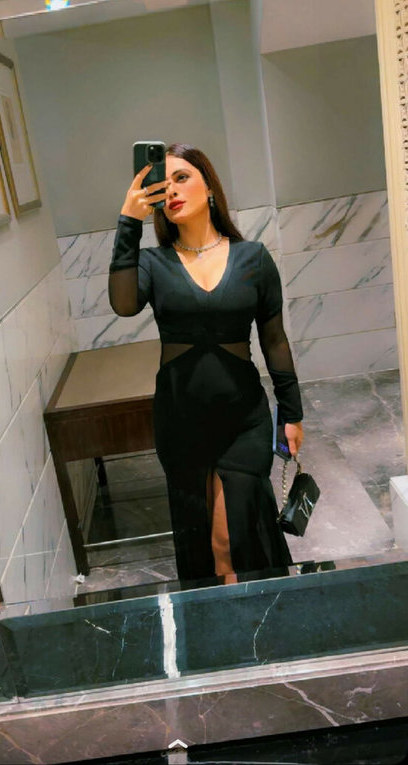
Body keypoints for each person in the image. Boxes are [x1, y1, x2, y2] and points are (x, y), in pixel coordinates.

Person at [108, 143, 304, 582]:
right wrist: (129, 221)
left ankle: (266, 609)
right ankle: (226, 619)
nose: (173, 190)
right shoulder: (153, 263)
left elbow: (274, 341)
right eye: (165, 184)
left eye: (182, 178)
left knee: (231, 537)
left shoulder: (253, 258)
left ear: (209, 186)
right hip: (181, 425)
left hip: (244, 421)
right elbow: (123, 305)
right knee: (204, 541)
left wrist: (292, 414)